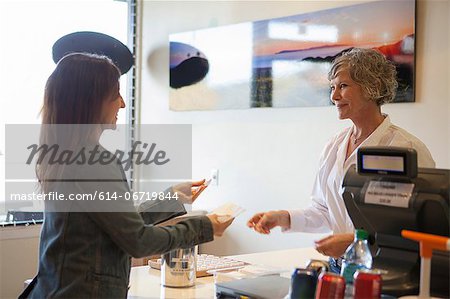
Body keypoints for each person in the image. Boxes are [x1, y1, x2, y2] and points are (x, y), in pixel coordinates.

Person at [21, 53, 233, 298]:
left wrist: (172, 199)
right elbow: (138, 241)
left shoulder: (65, 154)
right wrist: (206, 226)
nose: (122, 103)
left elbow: (115, 223)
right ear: (92, 100)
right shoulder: (93, 163)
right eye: (116, 94)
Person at [247, 48, 435, 273]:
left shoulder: (406, 148)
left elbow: (417, 226)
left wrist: (355, 241)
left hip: (385, 272)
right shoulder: (334, 146)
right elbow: (323, 210)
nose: (334, 96)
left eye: (343, 86)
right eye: (332, 88)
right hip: (340, 267)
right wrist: (282, 218)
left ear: (370, 86)